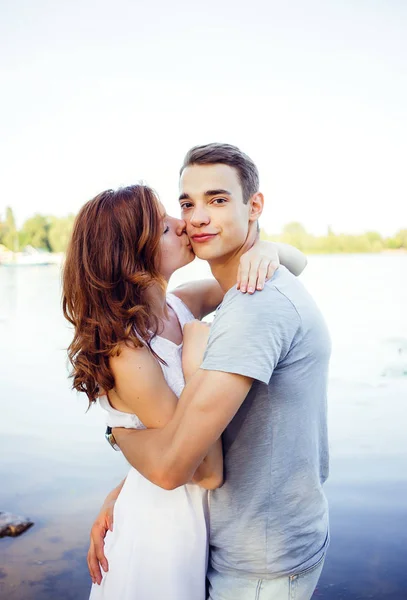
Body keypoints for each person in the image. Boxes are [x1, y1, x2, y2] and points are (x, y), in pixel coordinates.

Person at [97, 143, 331, 600]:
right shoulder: (196, 309)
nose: (192, 220)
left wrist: (118, 434)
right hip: (224, 534)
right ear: (133, 252)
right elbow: (173, 439)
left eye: (217, 200)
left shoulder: (240, 306)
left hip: (258, 556)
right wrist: (121, 490)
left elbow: (185, 464)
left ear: (254, 205)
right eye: (185, 206)